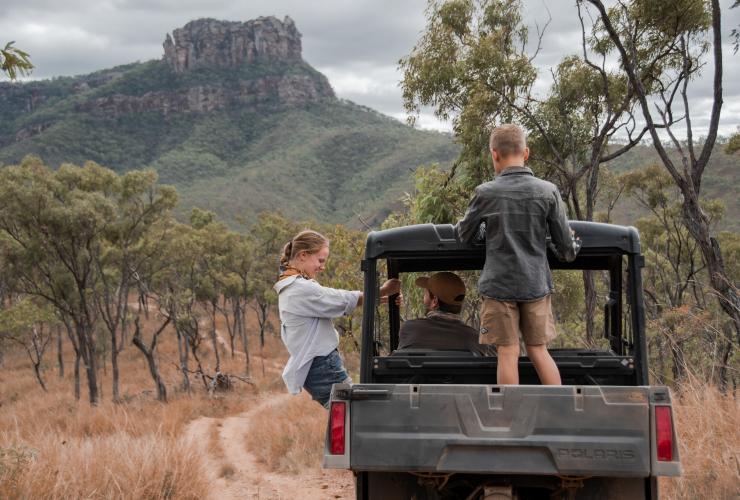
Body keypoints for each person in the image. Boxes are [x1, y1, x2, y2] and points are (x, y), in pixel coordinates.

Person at [456, 124, 580, 385]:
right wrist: (564, 246)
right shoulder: (548, 191)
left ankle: (509, 419)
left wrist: (484, 231)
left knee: (508, 352)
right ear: (526, 153)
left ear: (494, 154)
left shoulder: (485, 193)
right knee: (538, 350)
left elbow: (464, 236)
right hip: (536, 284)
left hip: (498, 285)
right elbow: (567, 249)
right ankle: (559, 414)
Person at [274, 229, 400, 408]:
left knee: (354, 413)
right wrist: (383, 290)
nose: (322, 267)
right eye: (320, 260)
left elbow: (331, 303)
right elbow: (339, 299)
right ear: (303, 255)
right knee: (360, 412)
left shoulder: (292, 286)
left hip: (319, 366)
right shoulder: (299, 288)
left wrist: (377, 298)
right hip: (322, 365)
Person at [397, 272, 492, 356]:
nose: (423, 298)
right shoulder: (475, 339)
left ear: (435, 301)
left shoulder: (410, 329)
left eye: (425, 294)